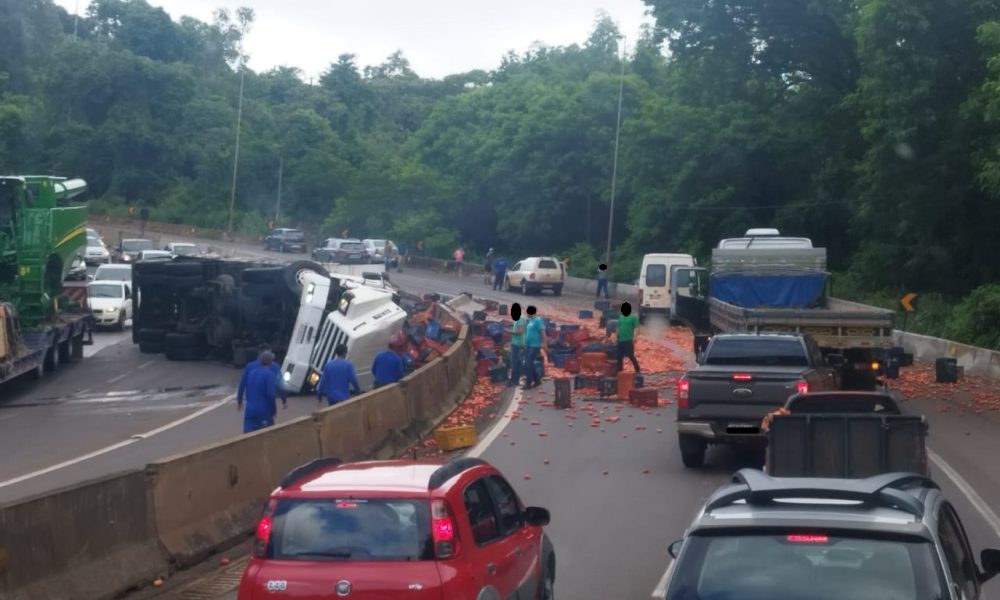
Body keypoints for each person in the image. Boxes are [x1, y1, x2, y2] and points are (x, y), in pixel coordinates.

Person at [238, 351, 286, 433]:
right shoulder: (270, 375)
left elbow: (243, 385)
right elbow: (270, 395)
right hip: (264, 411)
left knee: (247, 437)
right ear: (271, 362)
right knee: (267, 435)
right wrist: (273, 410)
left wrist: (239, 400)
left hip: (249, 410)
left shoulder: (251, 373)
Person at [237, 343, 287, 407]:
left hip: (250, 403)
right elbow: (280, 385)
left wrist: (239, 400)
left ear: (258, 352)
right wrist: (284, 400)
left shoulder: (249, 366)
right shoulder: (275, 367)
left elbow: (242, 384)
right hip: (267, 404)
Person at [607, 302, 641, 373]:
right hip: (620, 340)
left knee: (631, 355)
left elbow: (637, 328)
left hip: (628, 340)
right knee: (619, 356)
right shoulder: (621, 317)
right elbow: (618, 328)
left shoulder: (633, 318)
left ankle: (637, 369)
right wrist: (616, 337)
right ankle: (619, 370)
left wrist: (635, 337)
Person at [522, 305, 547, 389]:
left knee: (528, 363)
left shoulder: (537, 320)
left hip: (535, 345)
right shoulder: (530, 321)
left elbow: (542, 332)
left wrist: (544, 343)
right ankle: (537, 380)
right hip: (528, 345)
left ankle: (528, 383)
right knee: (529, 363)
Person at [508, 303, 525, 387]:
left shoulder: (521, 319)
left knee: (515, 363)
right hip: (515, 343)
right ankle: (515, 380)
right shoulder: (516, 319)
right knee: (515, 362)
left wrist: (509, 331)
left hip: (518, 344)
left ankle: (514, 380)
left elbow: (520, 331)